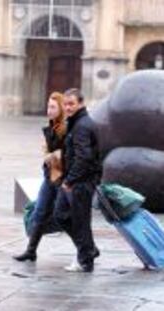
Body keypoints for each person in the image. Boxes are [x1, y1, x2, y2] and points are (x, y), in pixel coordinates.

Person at [13, 92, 66, 262]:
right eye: (48, 106)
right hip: (49, 175)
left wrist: (54, 155)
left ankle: (88, 249)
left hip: (62, 178)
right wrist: (48, 154)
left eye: (52, 107)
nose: (48, 110)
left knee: (64, 216)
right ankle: (31, 251)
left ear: (61, 109)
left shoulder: (66, 128)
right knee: (39, 212)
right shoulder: (52, 126)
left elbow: (69, 153)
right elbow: (47, 150)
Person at [53, 88, 101, 273]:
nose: (68, 107)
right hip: (74, 180)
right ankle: (89, 249)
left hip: (80, 182)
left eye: (71, 104)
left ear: (80, 103)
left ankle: (86, 260)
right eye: (65, 104)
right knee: (61, 215)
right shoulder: (76, 122)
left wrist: (70, 180)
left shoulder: (82, 125)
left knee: (80, 221)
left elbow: (84, 157)